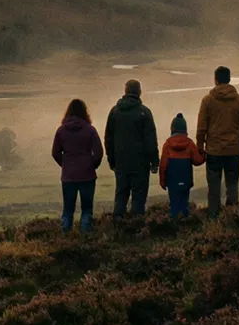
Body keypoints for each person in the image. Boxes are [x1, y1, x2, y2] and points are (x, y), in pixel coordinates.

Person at [195, 66, 239, 215]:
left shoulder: (207, 100)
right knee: (232, 186)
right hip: (233, 150)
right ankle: (232, 216)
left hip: (213, 151)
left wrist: (200, 148)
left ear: (216, 80)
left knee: (213, 187)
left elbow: (201, 128)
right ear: (229, 79)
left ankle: (214, 217)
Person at [104, 80, 160, 217]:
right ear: (139, 92)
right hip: (140, 164)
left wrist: (112, 160)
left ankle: (118, 228)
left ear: (125, 91)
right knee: (139, 198)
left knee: (121, 196)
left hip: (121, 162)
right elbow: (150, 140)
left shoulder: (114, 111)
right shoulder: (144, 112)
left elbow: (108, 139)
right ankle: (136, 228)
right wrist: (154, 162)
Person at [51, 99, 104, 231]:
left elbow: (55, 152)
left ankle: (65, 237)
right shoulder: (90, 130)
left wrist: (65, 165)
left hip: (68, 176)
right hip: (87, 175)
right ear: (85, 112)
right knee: (86, 209)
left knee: (68, 209)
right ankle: (85, 238)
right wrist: (92, 166)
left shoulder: (61, 131)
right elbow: (98, 153)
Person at [159, 114, 206, 219]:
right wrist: (204, 155)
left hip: (172, 181)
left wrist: (162, 181)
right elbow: (197, 161)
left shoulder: (167, 144)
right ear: (185, 129)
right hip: (186, 180)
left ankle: (174, 224)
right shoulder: (189, 143)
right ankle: (186, 222)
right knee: (184, 203)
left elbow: (163, 166)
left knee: (174, 204)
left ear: (172, 129)